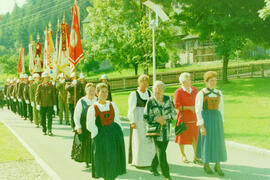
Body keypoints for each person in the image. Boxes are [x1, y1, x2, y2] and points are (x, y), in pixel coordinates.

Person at [87, 83, 126, 180]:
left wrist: (118, 134)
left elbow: (117, 120)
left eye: (106, 92)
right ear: (97, 93)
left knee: (113, 161)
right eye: (102, 92)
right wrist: (97, 134)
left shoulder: (112, 105)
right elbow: (90, 125)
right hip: (101, 139)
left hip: (113, 137)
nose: (104, 94)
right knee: (105, 162)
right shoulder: (93, 108)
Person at [195, 71, 227, 176]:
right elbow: (198, 110)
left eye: (215, 80)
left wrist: (221, 122)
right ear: (206, 82)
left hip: (216, 119)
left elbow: (221, 109)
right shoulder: (201, 93)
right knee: (207, 141)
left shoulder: (219, 93)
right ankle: (206, 164)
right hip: (206, 119)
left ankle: (218, 165)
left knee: (218, 141)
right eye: (211, 81)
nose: (213, 83)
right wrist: (202, 126)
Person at [144, 81, 176, 180]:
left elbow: (174, 113)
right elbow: (146, 116)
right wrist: (156, 119)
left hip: (167, 130)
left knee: (161, 150)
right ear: (153, 90)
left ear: (163, 89)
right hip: (156, 131)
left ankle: (153, 167)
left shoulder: (168, 99)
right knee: (161, 152)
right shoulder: (150, 101)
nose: (158, 90)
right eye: (156, 88)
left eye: (160, 88)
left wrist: (165, 118)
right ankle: (166, 175)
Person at [128, 74, 155, 168]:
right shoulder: (134, 94)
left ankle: (150, 161)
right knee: (139, 140)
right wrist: (132, 121)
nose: (144, 83)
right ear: (139, 83)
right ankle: (139, 161)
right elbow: (131, 109)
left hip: (148, 119)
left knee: (149, 140)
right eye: (142, 81)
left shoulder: (150, 93)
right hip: (138, 118)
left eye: (146, 81)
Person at [174, 72, 201, 164]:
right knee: (182, 138)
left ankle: (196, 156)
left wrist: (196, 108)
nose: (191, 81)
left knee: (195, 137)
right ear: (184, 82)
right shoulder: (178, 92)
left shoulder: (194, 90)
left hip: (194, 117)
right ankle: (183, 155)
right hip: (183, 119)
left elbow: (198, 101)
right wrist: (190, 108)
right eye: (189, 79)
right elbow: (177, 106)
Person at [71, 83, 97, 168]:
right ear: (86, 91)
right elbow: (76, 115)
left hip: (95, 124)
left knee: (95, 142)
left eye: (93, 90)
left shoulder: (97, 100)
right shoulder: (82, 101)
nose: (91, 92)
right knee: (86, 143)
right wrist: (78, 126)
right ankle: (86, 160)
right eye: (89, 91)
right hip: (84, 124)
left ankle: (94, 159)